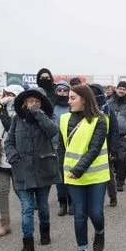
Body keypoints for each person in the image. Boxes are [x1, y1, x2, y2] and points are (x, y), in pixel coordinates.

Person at [4, 87, 60, 251]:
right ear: (23, 104)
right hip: (22, 170)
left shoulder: (47, 118)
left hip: (43, 168)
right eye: (29, 101)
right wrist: (13, 157)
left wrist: (38, 114)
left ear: (42, 104)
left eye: (36, 102)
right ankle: (27, 244)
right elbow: (9, 142)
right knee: (27, 208)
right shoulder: (16, 120)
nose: (32, 104)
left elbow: (53, 131)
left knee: (43, 205)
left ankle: (45, 232)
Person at [60, 84, 110, 251]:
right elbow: (61, 148)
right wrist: (62, 171)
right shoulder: (64, 119)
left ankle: (99, 231)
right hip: (73, 177)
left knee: (95, 212)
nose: (69, 101)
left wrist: (78, 169)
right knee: (79, 214)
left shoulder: (101, 120)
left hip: (96, 175)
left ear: (84, 99)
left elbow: (94, 148)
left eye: (72, 98)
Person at [0, 85, 24, 237]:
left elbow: (13, 128)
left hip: (17, 157)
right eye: (5, 93)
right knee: (3, 191)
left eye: (10, 94)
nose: (6, 96)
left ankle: (28, 215)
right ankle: (5, 224)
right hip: (2, 157)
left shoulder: (22, 113)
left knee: (20, 190)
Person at [89, 84, 120, 207]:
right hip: (89, 148)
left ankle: (113, 196)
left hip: (105, 148)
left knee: (108, 175)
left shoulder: (107, 110)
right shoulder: (84, 110)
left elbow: (114, 130)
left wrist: (113, 149)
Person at [107, 81, 126, 191]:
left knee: (123, 159)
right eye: (120, 88)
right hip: (111, 136)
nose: (121, 91)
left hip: (124, 136)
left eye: (124, 89)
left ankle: (120, 181)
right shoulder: (109, 103)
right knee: (113, 159)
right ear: (116, 89)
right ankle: (115, 176)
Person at [51, 81, 72, 216]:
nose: (63, 93)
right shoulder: (51, 107)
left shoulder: (73, 106)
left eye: (65, 90)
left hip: (71, 145)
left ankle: (72, 203)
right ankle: (62, 203)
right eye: (60, 90)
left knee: (71, 175)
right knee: (59, 177)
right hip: (55, 145)